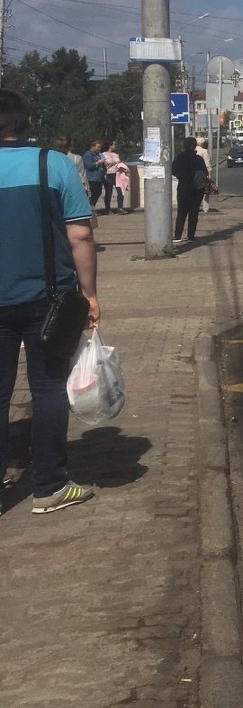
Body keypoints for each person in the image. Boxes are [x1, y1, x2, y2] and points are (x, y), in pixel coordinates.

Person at [0, 89, 100, 514]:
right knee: (46, 390)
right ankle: (48, 487)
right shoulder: (53, 164)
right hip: (50, 299)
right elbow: (80, 234)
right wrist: (90, 294)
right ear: (28, 123)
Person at [170, 136, 208, 244]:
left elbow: (173, 170)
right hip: (196, 188)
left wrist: (182, 176)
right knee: (194, 212)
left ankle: (177, 235)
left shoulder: (179, 157)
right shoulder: (198, 159)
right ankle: (191, 236)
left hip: (183, 186)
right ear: (194, 146)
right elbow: (204, 172)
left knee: (181, 212)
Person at [81, 138, 104, 212]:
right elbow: (89, 166)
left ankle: (92, 206)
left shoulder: (98, 155)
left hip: (98, 177)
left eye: (100, 147)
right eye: (98, 147)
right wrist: (98, 163)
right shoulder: (88, 155)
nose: (99, 149)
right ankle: (89, 208)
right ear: (92, 146)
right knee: (93, 193)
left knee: (98, 192)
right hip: (91, 178)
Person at [100, 139, 122, 214]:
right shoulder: (103, 154)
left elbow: (119, 162)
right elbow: (104, 164)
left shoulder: (116, 154)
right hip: (108, 174)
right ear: (110, 145)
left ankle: (120, 208)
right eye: (114, 144)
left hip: (117, 173)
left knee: (120, 190)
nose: (115, 146)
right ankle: (108, 209)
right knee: (109, 192)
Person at [195, 136, 213, 213]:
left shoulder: (193, 150)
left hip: (193, 174)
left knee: (195, 191)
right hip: (202, 174)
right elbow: (207, 164)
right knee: (205, 191)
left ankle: (195, 207)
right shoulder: (204, 151)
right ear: (202, 143)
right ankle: (205, 208)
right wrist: (209, 175)